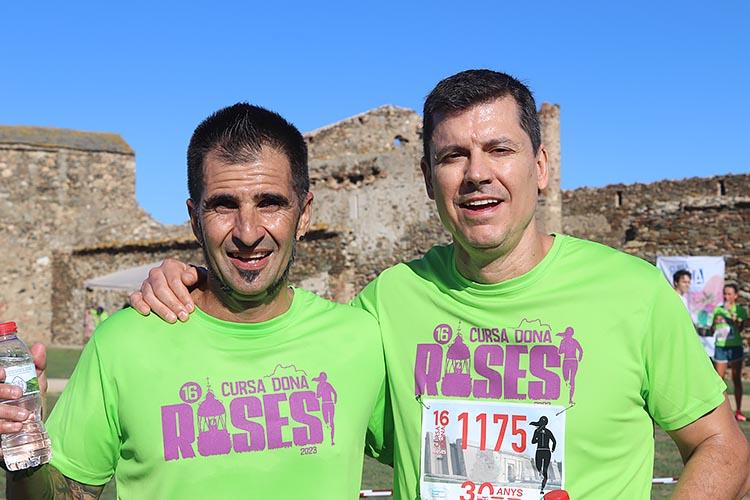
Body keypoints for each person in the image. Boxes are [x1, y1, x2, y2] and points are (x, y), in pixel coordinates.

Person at [129, 70, 750, 499]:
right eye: (453, 156)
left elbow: (723, 447)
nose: (476, 174)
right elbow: (273, 347)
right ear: (428, 178)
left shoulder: (632, 293)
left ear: (541, 166)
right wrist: (195, 283)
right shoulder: (387, 302)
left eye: (499, 149)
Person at [2, 103, 387, 499]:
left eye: (269, 203)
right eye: (224, 205)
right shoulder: (123, 342)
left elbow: (424, 455)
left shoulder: (360, 339)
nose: (248, 232)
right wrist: (23, 449)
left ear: (303, 215)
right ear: (195, 220)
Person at [711, 283, 748, 421]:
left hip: (735, 347)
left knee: (736, 378)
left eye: (729, 294)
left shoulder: (740, 310)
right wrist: (715, 323)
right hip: (721, 347)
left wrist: (733, 318)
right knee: (718, 380)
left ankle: (738, 411)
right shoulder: (717, 310)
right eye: (724, 294)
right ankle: (719, 413)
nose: (726, 296)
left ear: (736, 296)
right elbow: (712, 330)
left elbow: (741, 329)